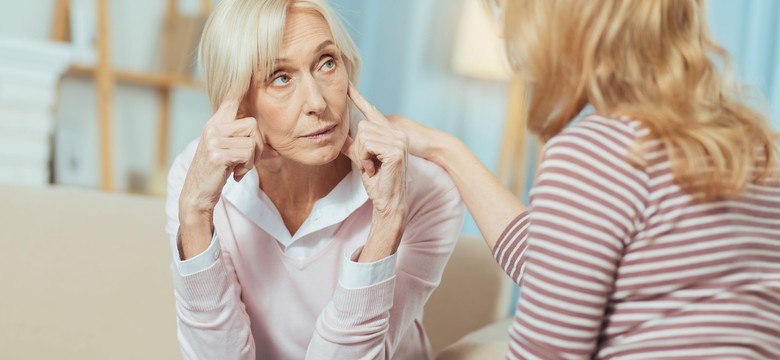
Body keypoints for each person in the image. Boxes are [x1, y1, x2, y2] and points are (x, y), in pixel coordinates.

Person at [391, 0, 780, 358]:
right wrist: (447, 151)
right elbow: (565, 266)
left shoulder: (598, 151)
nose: (504, 33)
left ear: (568, 23)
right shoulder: (755, 148)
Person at [164, 0, 464, 358]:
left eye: (326, 63)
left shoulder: (428, 189)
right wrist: (196, 212)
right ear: (240, 104)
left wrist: (388, 217)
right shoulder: (195, 178)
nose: (317, 102)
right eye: (281, 77)